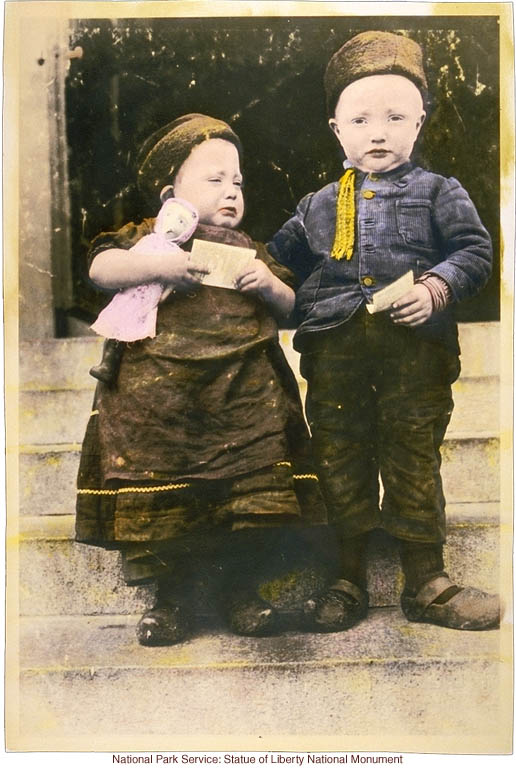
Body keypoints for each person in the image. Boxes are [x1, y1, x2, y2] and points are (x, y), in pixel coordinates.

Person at [267, 31, 500, 632]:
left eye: (395, 117)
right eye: (361, 118)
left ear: (419, 123)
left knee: (411, 456)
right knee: (338, 455)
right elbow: (276, 263)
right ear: (336, 129)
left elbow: (475, 251)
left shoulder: (438, 192)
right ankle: (346, 577)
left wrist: (434, 289)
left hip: (413, 356)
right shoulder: (314, 205)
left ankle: (426, 579)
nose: (378, 132)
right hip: (335, 356)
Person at [75, 113, 326, 646]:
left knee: (245, 499)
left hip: (240, 393)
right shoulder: (145, 239)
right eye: (214, 180)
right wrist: (157, 266)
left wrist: (268, 286)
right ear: (171, 191)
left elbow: (293, 306)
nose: (231, 191)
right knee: (167, 501)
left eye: (237, 181)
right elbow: (100, 270)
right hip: (160, 398)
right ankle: (174, 599)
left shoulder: (249, 248)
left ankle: (240, 590)